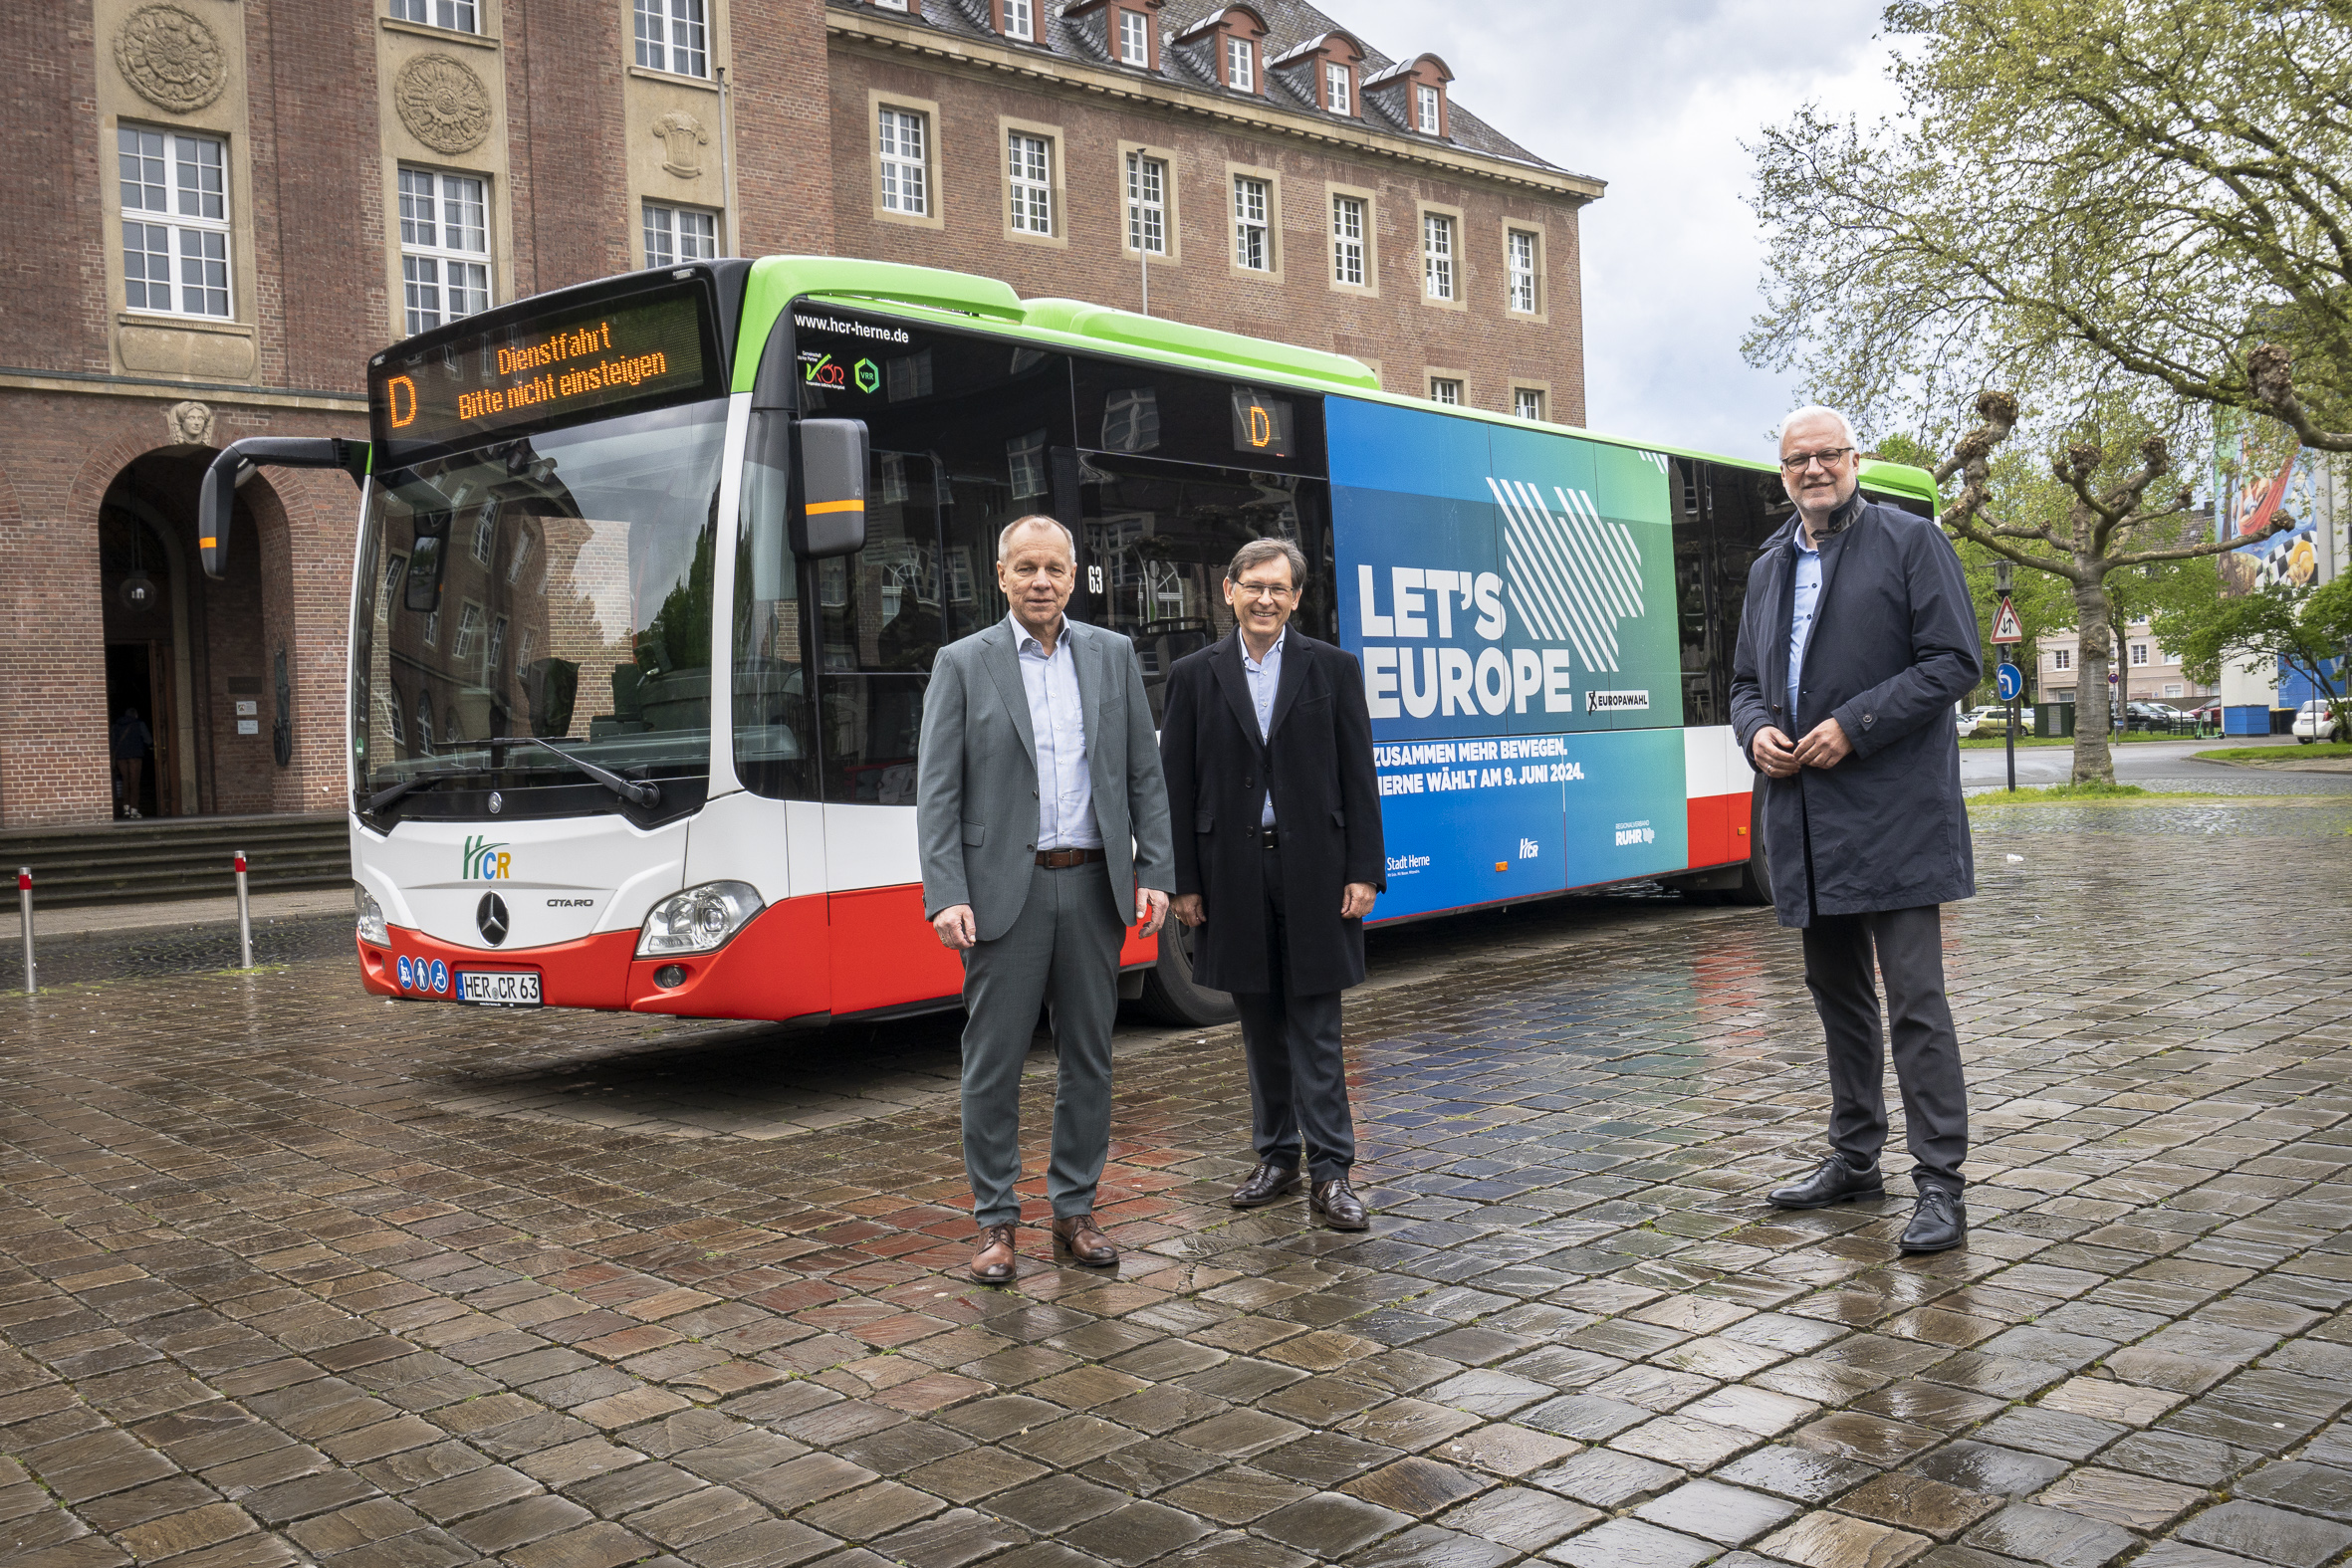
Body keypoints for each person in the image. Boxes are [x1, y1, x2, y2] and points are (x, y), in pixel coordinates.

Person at [1730, 405, 1982, 1255]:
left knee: (1916, 1003)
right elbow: (1741, 683)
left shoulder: (1912, 542)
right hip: (1804, 818)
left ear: (1855, 459)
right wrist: (1755, 728)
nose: (1813, 469)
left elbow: (1953, 661)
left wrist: (1855, 723)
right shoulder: (1768, 564)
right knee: (1838, 1000)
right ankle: (1854, 1156)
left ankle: (1940, 1182)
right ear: (1782, 473)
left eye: (1827, 454)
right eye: (1797, 458)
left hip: (1897, 816)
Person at [916, 516, 1174, 1283]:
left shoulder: (1113, 654)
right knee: (992, 1063)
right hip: (1005, 892)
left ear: (1073, 576)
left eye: (1054, 568)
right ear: (1000, 575)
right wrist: (945, 892)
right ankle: (996, 1223)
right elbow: (938, 792)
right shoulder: (962, 663)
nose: (1041, 581)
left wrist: (1152, 869)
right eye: (1025, 567)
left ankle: (1076, 1210)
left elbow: (1141, 775)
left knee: (1088, 1057)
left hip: (1094, 883)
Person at [1159, 539, 1385, 1231]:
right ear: (1228, 590)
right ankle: (1277, 1156)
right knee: (1258, 1021)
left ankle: (1332, 1172)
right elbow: (1177, 784)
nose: (1265, 599)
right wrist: (1183, 884)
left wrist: (1364, 869)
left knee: (1317, 1024)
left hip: (1317, 869)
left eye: (1279, 588)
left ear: (1295, 597)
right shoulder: (1194, 675)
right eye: (1252, 585)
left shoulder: (1334, 669)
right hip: (1232, 872)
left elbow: (1358, 774)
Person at [112, 707, 153, 820]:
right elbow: (148, 740)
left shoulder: (116, 726)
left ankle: (125, 808)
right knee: (134, 783)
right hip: (135, 756)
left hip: (121, 757)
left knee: (125, 781)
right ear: (135, 715)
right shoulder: (139, 724)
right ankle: (134, 810)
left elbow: (112, 742)